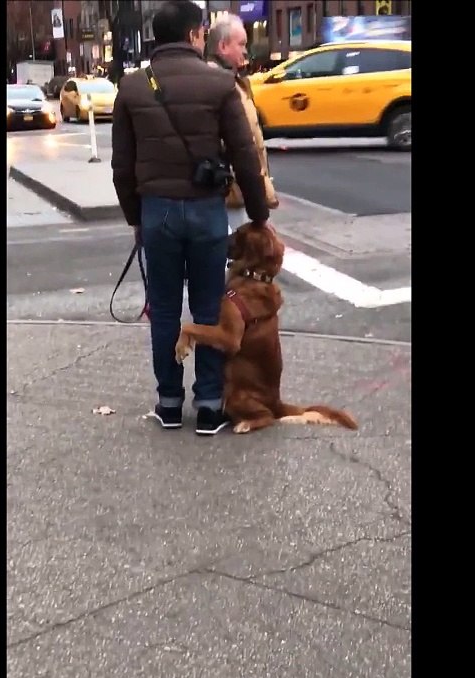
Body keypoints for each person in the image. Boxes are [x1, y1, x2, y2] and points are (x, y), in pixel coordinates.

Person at [111, 0, 272, 436]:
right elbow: (244, 156)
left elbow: (122, 166)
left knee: (163, 310)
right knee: (207, 305)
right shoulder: (220, 84)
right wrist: (257, 215)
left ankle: (167, 403)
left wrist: (135, 217)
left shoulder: (131, 87)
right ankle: (207, 406)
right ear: (195, 35)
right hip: (205, 211)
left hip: (157, 209)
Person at [205, 14, 279, 234]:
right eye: (241, 44)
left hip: (239, 191)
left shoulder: (235, 81)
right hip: (232, 193)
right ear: (223, 46)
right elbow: (241, 148)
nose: (246, 50)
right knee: (240, 257)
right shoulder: (218, 84)